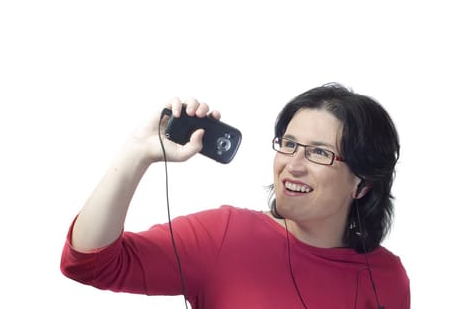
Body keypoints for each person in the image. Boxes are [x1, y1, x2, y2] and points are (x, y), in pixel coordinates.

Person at [60, 83, 410, 308]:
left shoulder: (387, 278)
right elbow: (90, 263)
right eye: (288, 145)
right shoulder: (226, 235)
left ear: (361, 184)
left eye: (318, 153)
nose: (293, 165)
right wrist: (137, 152)